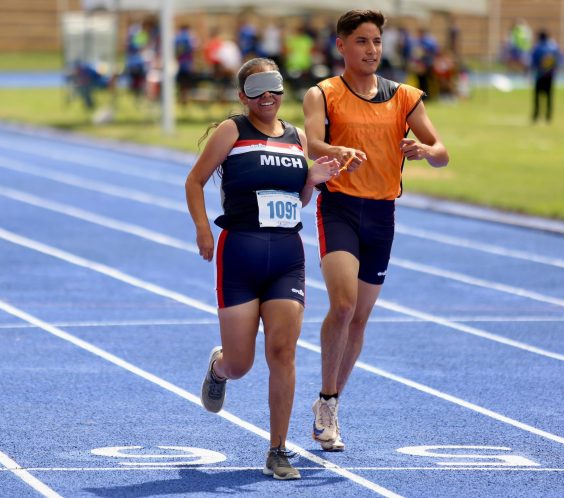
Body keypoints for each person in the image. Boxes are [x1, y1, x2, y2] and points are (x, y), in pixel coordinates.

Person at [185, 57, 339, 480]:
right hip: (240, 254)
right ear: (242, 96)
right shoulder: (232, 131)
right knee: (241, 363)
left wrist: (313, 177)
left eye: (273, 85)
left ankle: (277, 449)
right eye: (256, 89)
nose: (267, 95)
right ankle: (220, 368)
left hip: (287, 257)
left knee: (283, 353)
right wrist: (203, 229)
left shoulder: (297, 138)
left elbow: (301, 201)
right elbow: (194, 181)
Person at [302, 10, 449, 452]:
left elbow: (442, 153)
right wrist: (336, 148)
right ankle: (327, 403)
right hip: (340, 208)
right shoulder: (322, 93)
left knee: (361, 317)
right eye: (362, 41)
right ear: (342, 46)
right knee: (344, 306)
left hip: (382, 214)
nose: (371, 50)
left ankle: (329, 402)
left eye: (377, 41)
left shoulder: (405, 97)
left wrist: (425, 150)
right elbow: (311, 143)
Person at [530, 30, 561, 124]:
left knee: (537, 97)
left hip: (540, 75)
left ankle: (536, 116)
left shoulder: (538, 47)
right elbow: (558, 60)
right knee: (549, 96)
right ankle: (548, 116)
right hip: (550, 75)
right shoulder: (554, 47)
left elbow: (533, 61)